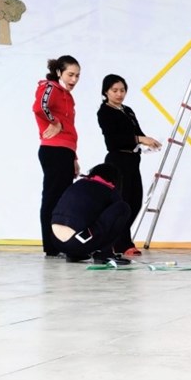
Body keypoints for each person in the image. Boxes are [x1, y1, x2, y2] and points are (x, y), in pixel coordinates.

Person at [96, 74, 161, 256]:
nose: (119, 94)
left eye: (122, 90)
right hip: (118, 161)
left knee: (135, 201)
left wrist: (148, 142)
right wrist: (140, 139)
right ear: (106, 92)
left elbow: (138, 132)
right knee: (122, 202)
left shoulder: (128, 110)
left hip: (133, 160)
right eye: (114, 90)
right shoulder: (105, 112)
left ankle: (119, 240)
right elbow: (113, 140)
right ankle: (123, 243)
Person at [33, 55, 81, 257]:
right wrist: (54, 122)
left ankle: (60, 243)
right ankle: (51, 246)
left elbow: (70, 128)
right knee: (52, 198)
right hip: (53, 150)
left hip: (66, 151)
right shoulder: (50, 87)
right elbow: (39, 107)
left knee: (63, 200)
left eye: (77, 76)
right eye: (70, 74)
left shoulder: (67, 96)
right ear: (59, 72)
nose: (74, 79)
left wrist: (74, 158)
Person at [50, 163, 132, 264]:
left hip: (56, 241)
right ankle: (104, 254)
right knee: (123, 208)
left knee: (82, 216)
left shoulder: (78, 184)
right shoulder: (109, 190)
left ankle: (74, 255)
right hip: (78, 242)